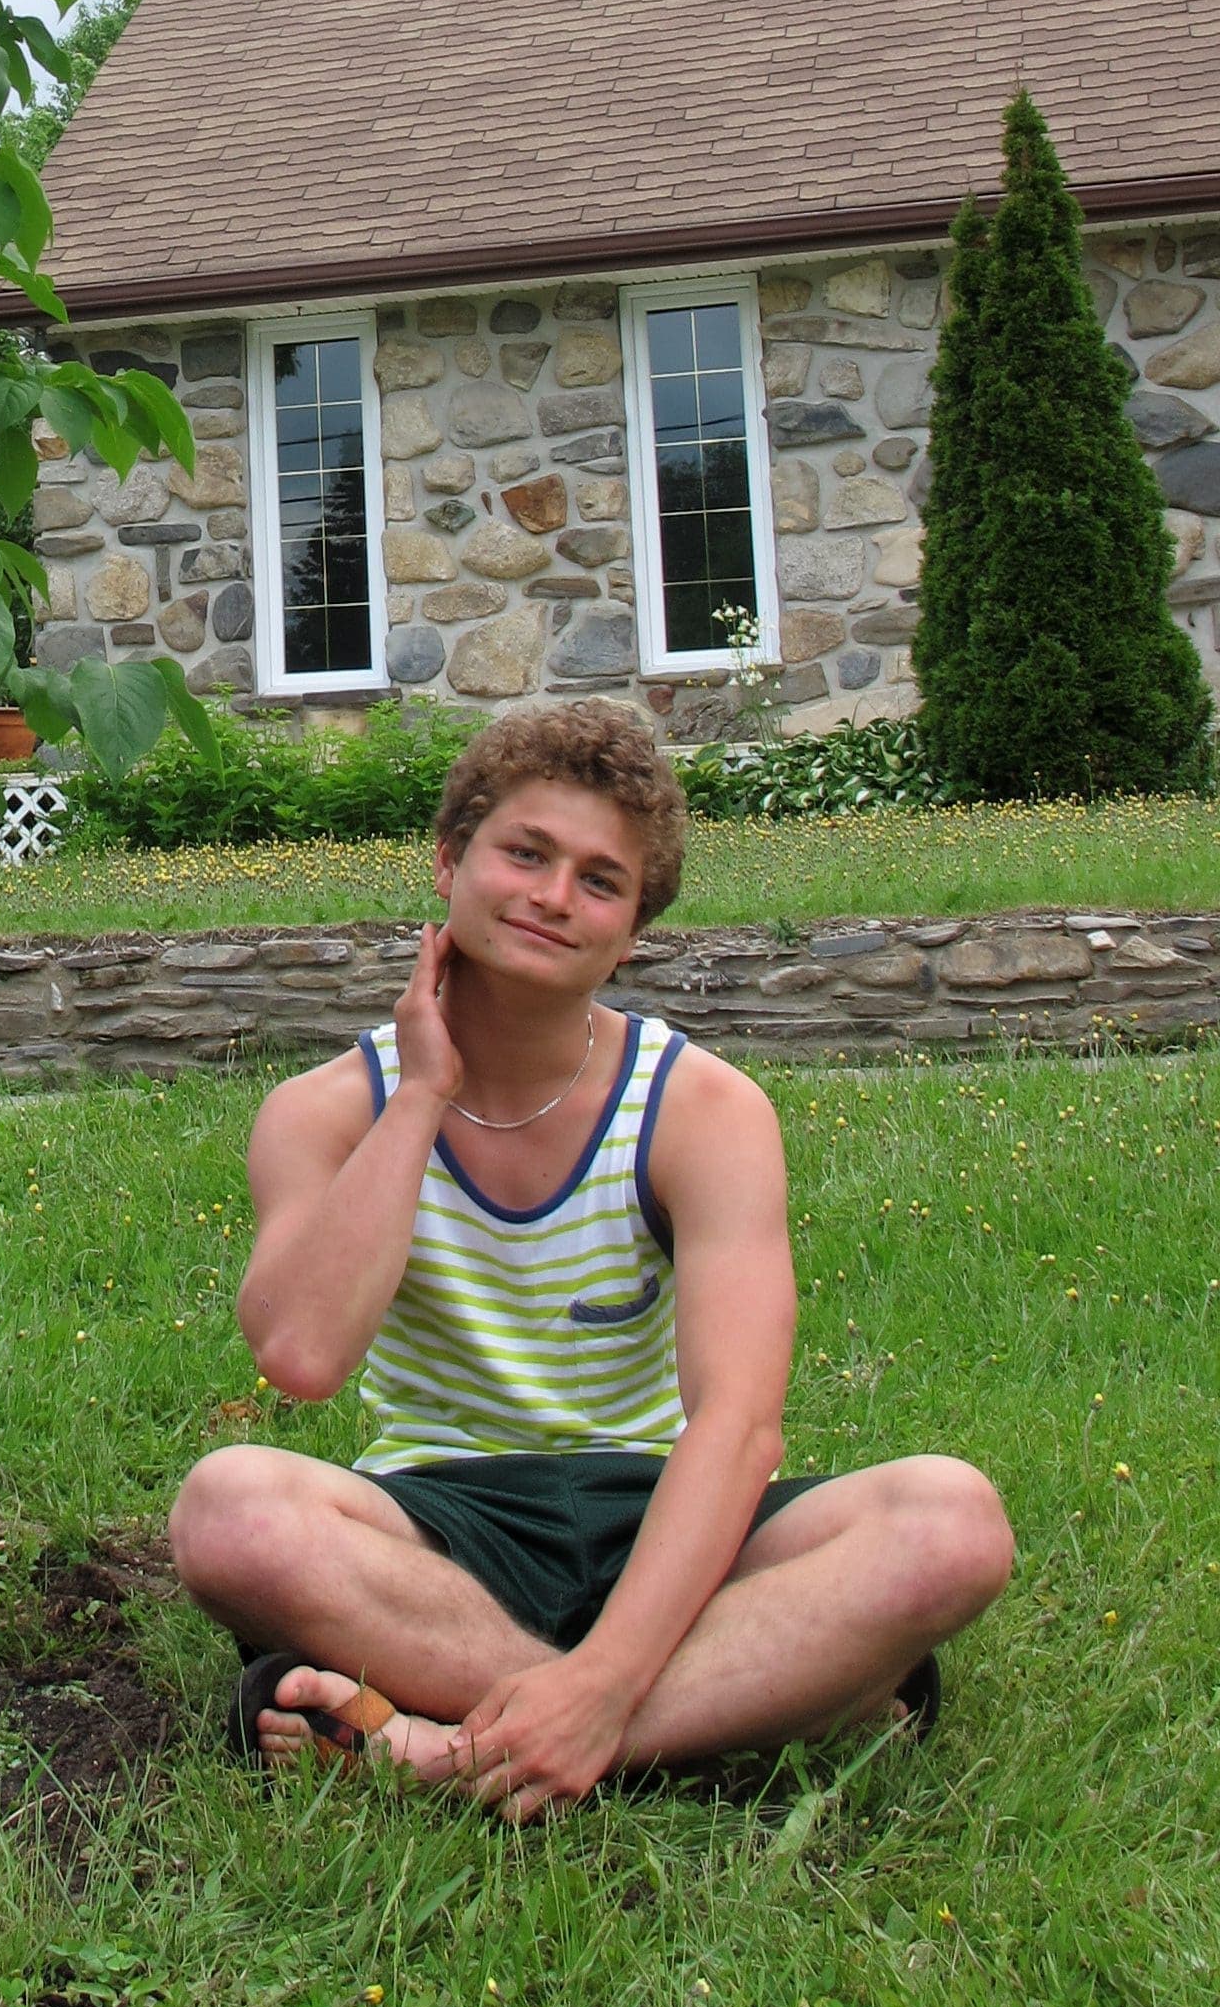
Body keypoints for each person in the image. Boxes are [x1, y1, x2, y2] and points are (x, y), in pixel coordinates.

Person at [168, 701, 1011, 1816]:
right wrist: (421, 1095)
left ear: (632, 932)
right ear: (446, 863)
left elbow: (736, 1425)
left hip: (661, 1516)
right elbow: (301, 1355)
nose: (553, 897)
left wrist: (607, 1679)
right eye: (523, 853)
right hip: (440, 1524)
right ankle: (766, 1701)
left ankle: (443, 1745)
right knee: (230, 1510)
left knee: (948, 1524)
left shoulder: (700, 1107)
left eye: (599, 881)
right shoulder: (324, 1109)